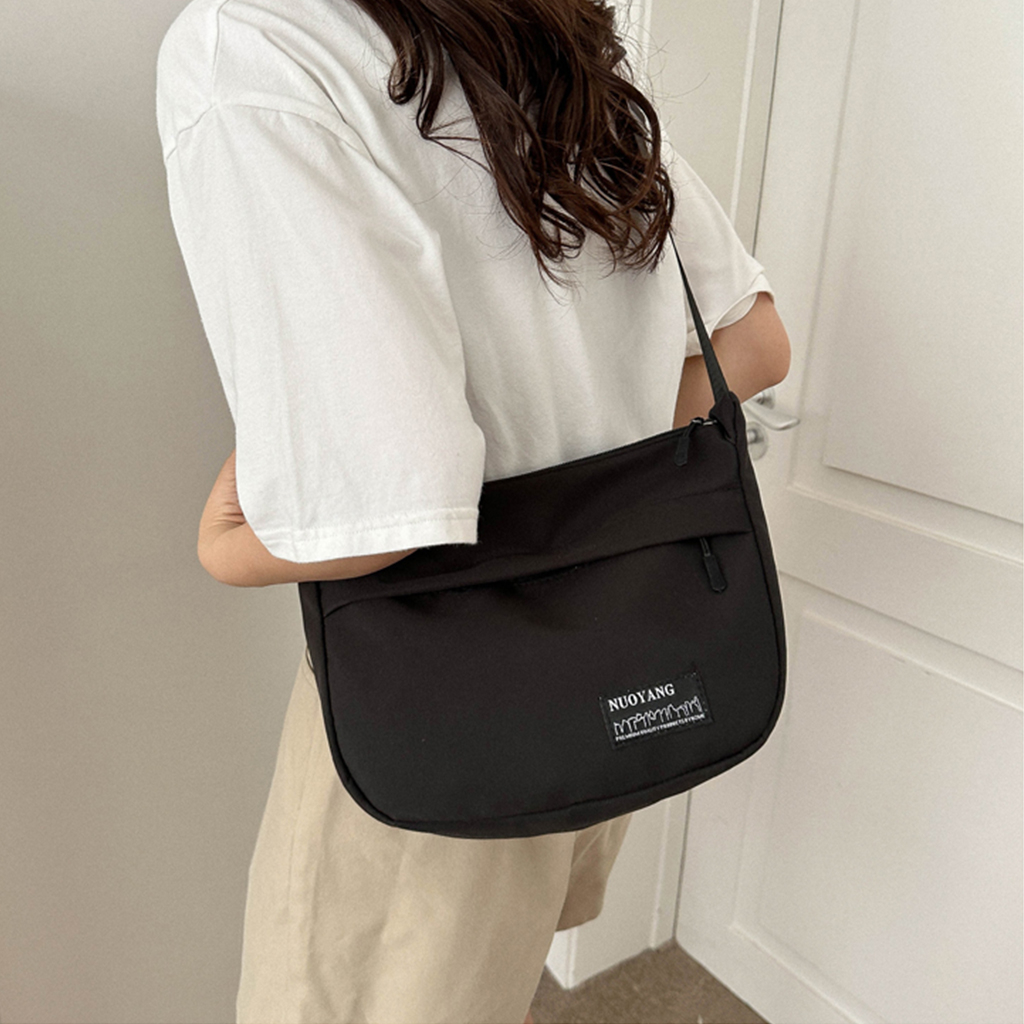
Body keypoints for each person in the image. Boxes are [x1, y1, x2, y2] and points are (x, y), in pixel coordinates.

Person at [155, 0, 792, 1020]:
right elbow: (753, 343)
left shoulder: (254, 45)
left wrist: (224, 544)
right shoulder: (546, 33)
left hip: (442, 705)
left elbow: (384, 503)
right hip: (618, 663)